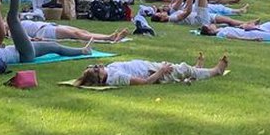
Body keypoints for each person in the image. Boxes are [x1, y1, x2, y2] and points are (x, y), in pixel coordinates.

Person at [73, 53, 228, 87]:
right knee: (183, 68)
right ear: (100, 79)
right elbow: (145, 83)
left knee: (184, 70)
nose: (97, 66)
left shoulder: (109, 70)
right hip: (154, 73)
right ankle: (216, 71)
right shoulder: (117, 78)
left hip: (151, 66)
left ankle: (196, 70)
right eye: (96, 69)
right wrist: (161, 71)